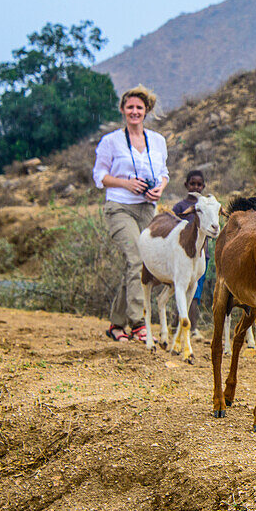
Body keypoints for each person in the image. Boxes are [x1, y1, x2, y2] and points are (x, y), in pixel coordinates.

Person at [92, 85, 169, 342]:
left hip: (148, 208)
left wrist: (160, 188)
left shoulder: (157, 140)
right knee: (135, 259)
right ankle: (138, 324)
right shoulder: (111, 141)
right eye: (130, 107)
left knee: (142, 264)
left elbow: (164, 173)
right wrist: (126, 183)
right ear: (123, 110)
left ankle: (116, 324)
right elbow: (99, 176)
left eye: (139, 107)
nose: (134, 111)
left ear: (146, 110)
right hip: (119, 207)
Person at [172, 169, 209, 330]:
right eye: (192, 183)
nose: (196, 187)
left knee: (195, 292)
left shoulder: (206, 206)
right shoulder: (180, 207)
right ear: (186, 185)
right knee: (180, 289)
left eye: (199, 184)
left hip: (202, 256)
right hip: (182, 257)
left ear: (204, 186)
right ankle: (180, 325)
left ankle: (192, 328)